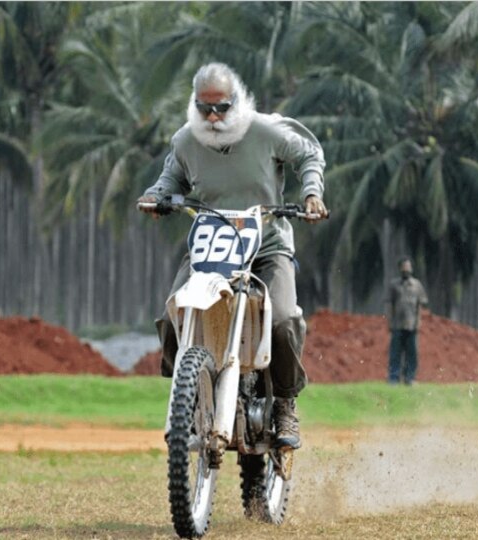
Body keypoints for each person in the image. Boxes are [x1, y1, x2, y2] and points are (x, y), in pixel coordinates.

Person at [137, 62, 328, 449]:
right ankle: (190, 397)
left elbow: (309, 155)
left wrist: (311, 193)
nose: (212, 116)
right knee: (173, 315)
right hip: (212, 246)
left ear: (236, 102)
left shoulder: (265, 131)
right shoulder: (187, 140)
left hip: (267, 245)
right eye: (204, 107)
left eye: (221, 107)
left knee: (283, 320)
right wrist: (156, 197)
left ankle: (285, 405)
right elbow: (170, 178)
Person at [385, 257, 429, 385]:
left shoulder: (417, 285)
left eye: (408, 267)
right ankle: (394, 378)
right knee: (395, 353)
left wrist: (418, 322)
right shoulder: (394, 285)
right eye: (404, 267)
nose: (406, 269)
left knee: (412, 354)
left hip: (411, 325)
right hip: (397, 324)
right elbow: (389, 305)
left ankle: (410, 378)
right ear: (400, 269)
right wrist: (390, 322)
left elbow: (420, 305)